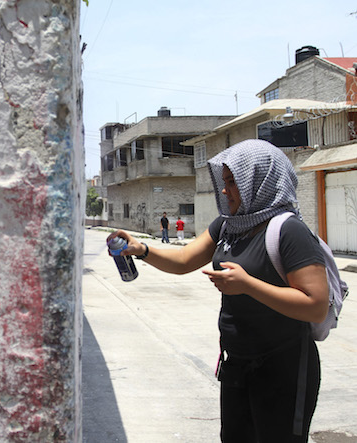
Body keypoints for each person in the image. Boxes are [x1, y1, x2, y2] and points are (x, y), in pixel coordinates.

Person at [107, 139, 328, 442]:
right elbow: (184, 259)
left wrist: (248, 285)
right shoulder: (229, 225)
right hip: (237, 364)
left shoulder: (288, 230)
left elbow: (316, 305)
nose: (225, 191)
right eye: (224, 182)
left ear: (259, 181)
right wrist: (142, 249)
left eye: (233, 182)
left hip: (283, 368)